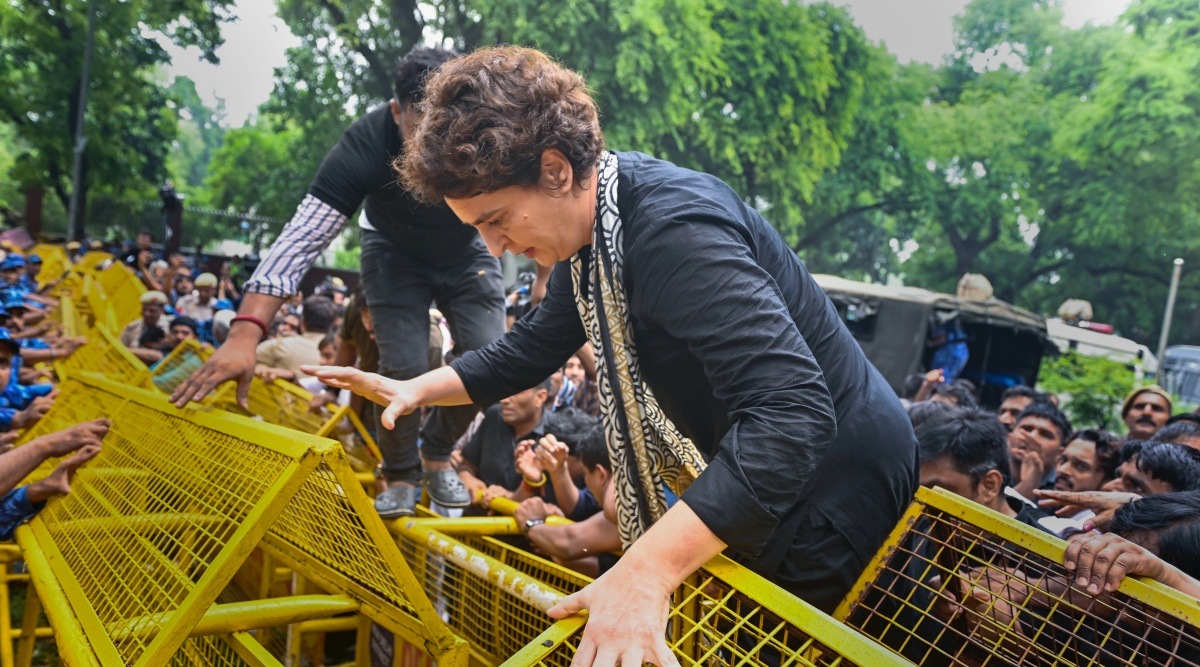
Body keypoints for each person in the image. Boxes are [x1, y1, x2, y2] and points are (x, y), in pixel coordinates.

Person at [304, 46, 917, 662]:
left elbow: (792, 413)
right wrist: (418, 389)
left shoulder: (671, 232)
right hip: (767, 475)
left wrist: (647, 570)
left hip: (833, 485)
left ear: (555, 170)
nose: (493, 250)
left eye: (494, 220)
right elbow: (527, 350)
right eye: (478, 231)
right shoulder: (595, 240)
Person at [171, 46, 515, 520]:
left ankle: (436, 453)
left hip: (468, 252)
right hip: (393, 253)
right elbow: (301, 238)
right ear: (396, 113)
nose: (435, 147)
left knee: (492, 360)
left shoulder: (488, 133)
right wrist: (245, 333)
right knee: (404, 365)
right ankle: (399, 471)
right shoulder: (364, 146)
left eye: (447, 131)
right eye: (422, 130)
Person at [917, 407, 1057, 534]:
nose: (923, 507)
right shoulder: (915, 528)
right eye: (920, 492)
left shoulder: (1045, 556)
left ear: (989, 486)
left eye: (937, 493)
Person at [254, 296, 334, 383]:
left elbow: (250, 362)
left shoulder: (279, 345)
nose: (322, 361)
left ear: (302, 321)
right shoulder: (335, 355)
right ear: (331, 325)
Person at [1007, 401, 1072, 500]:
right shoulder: (986, 469)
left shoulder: (1062, 492)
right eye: (1027, 429)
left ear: (1060, 453)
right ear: (1009, 437)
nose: (1032, 437)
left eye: (1045, 434)